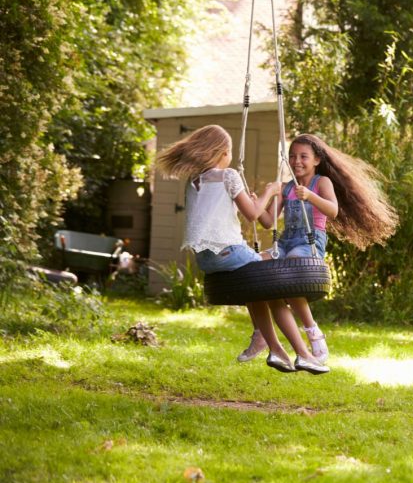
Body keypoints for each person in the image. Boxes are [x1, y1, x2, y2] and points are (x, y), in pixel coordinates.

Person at [155, 124, 329, 374]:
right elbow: (254, 214)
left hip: (205, 259)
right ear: (221, 152)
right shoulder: (228, 175)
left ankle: (274, 349)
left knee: (256, 288)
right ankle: (304, 354)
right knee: (273, 288)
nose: (231, 158)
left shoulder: (194, 181)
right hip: (229, 251)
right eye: (230, 152)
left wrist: (251, 199)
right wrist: (269, 191)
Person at [236, 133, 399, 364]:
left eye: (304, 156)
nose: (297, 161)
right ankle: (261, 333)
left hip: (309, 242)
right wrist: (260, 200)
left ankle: (312, 330)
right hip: (284, 242)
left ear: (317, 160)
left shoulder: (321, 182)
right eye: (292, 156)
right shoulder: (287, 188)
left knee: (293, 264)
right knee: (254, 264)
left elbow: (332, 210)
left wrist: (310, 196)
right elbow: (267, 222)